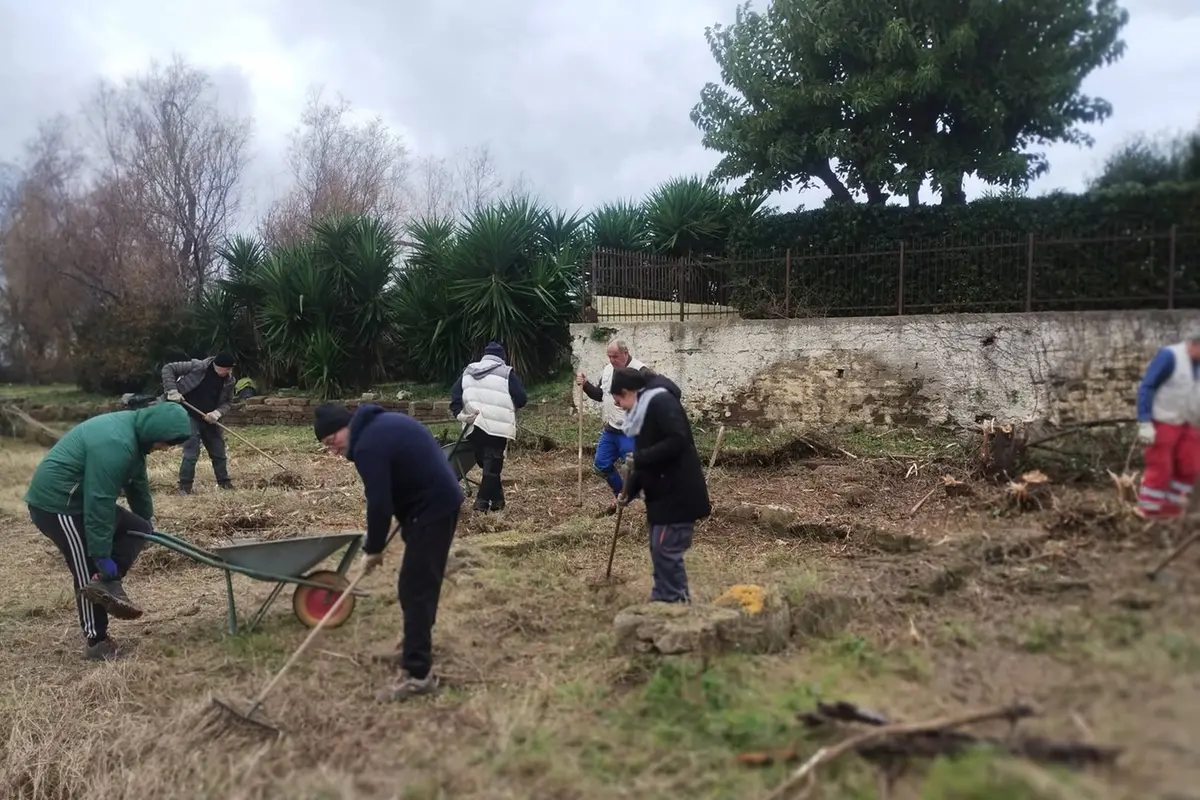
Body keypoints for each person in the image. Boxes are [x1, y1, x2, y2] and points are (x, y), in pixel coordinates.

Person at [314, 401, 465, 701]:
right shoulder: (378, 428)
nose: (333, 451)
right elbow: (396, 481)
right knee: (416, 586)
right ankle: (414, 646)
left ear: (345, 428)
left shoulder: (369, 445)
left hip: (432, 509)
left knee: (416, 588)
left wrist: (373, 548)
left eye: (332, 442)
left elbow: (379, 502)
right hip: (431, 504)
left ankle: (418, 675)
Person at [23, 402, 192, 661]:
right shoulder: (115, 444)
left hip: (80, 500)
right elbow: (99, 501)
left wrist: (146, 519)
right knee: (86, 567)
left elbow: (137, 483)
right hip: (58, 505)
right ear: (154, 432)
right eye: (166, 443)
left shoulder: (134, 436)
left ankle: (107, 581)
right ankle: (96, 640)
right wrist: (101, 554)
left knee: (137, 528)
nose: (166, 449)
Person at [611, 367, 710, 604]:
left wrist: (640, 459)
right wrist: (629, 491)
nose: (622, 408)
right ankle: (664, 597)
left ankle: (674, 601)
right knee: (659, 549)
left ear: (627, 392)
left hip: (677, 491)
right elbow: (642, 456)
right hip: (662, 492)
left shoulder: (660, 402)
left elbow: (679, 439)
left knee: (666, 548)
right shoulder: (644, 408)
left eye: (619, 401)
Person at [449, 342, 528, 512]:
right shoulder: (506, 373)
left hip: (473, 425)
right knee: (492, 465)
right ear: (502, 357)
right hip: (496, 427)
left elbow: (455, 396)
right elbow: (522, 398)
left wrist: (460, 414)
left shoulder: (468, 371)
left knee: (488, 464)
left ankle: (498, 501)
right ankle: (481, 502)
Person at [576, 340, 656, 505]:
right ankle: (621, 494)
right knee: (601, 464)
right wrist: (585, 385)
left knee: (633, 469)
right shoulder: (607, 370)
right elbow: (600, 395)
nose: (612, 360)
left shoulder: (640, 371)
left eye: (616, 356)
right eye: (609, 356)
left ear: (626, 353)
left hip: (632, 431)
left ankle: (644, 501)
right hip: (611, 429)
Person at [1134, 328, 1200, 519]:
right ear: (1194, 345)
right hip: (1164, 420)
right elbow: (1147, 386)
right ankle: (1148, 511)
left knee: (1191, 466)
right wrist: (1145, 421)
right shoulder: (1170, 356)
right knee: (1160, 467)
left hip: (1190, 423)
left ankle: (1173, 509)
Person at [161, 351, 237, 494]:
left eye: (230, 369)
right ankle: (185, 487)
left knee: (218, 450)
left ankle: (224, 483)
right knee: (191, 451)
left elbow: (228, 402)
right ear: (216, 365)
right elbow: (168, 368)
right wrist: (172, 390)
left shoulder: (229, 381)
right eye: (226, 369)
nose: (228, 372)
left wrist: (217, 413)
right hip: (187, 414)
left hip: (209, 418)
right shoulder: (197, 366)